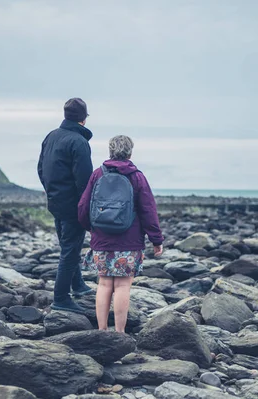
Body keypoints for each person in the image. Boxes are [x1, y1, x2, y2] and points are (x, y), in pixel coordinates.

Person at [78, 135, 164, 332]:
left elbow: (83, 206)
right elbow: (148, 210)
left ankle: (101, 330)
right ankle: (120, 332)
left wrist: (91, 228)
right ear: (130, 152)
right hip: (129, 242)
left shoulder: (98, 174)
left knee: (104, 285)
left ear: (110, 151)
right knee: (123, 288)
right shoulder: (137, 177)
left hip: (102, 240)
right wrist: (156, 239)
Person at [38, 98, 94, 314]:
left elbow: (41, 168)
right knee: (70, 250)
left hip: (56, 201)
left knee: (68, 246)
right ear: (83, 119)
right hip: (72, 205)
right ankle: (61, 297)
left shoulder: (51, 136)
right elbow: (85, 181)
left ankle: (77, 285)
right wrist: (86, 209)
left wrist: (51, 190)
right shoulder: (78, 142)